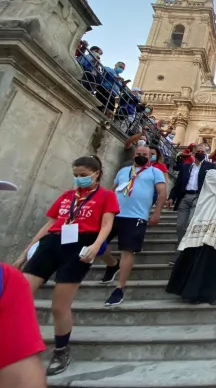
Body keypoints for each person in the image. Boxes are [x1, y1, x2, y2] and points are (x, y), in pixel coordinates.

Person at [14, 156, 120, 375]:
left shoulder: (107, 196)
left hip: (79, 247)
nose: (78, 179)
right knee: (17, 295)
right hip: (51, 244)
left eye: (83, 175)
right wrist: (25, 253)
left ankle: (61, 350)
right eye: (75, 175)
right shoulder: (67, 196)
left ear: (96, 173)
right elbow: (50, 224)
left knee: (59, 306)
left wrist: (96, 245)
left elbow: (107, 224)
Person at [167, 154, 216, 304]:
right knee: (199, 253)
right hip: (207, 219)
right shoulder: (213, 174)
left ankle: (212, 293)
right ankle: (192, 292)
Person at [100, 145, 166, 306]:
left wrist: (157, 212)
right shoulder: (123, 171)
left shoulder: (155, 172)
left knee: (127, 252)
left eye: (145, 154)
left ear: (150, 157)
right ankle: (112, 264)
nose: (142, 156)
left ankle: (119, 288)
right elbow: (113, 189)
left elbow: (162, 193)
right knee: (99, 246)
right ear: (133, 154)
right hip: (114, 214)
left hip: (137, 216)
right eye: (139, 153)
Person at [168, 144, 215, 241]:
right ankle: (181, 248)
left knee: (191, 223)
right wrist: (171, 197)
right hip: (185, 197)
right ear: (193, 153)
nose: (200, 153)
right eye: (198, 151)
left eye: (203, 152)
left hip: (199, 197)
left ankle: (189, 248)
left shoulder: (210, 166)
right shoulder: (186, 167)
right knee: (180, 225)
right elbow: (178, 184)